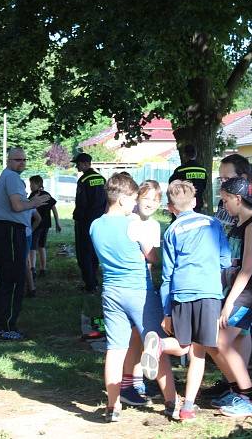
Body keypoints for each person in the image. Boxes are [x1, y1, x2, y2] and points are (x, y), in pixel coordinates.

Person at [89, 173, 180, 423]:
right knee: (155, 345)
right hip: (139, 291)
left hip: (111, 291)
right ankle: (173, 402)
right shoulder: (134, 224)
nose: (134, 205)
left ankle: (112, 406)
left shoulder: (95, 225)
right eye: (132, 199)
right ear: (122, 199)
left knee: (115, 350)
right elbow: (152, 258)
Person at [140, 180, 231, 421]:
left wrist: (167, 312)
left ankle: (159, 345)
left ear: (170, 208)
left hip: (181, 294)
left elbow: (167, 275)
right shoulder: (213, 223)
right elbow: (225, 260)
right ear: (195, 202)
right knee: (198, 351)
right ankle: (188, 406)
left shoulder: (171, 231)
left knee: (184, 343)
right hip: (209, 293)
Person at [209, 177, 252, 418]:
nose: (223, 205)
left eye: (225, 200)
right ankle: (237, 390)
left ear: (237, 198)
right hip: (234, 293)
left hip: (246, 296)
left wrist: (230, 303)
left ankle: (250, 398)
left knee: (217, 341)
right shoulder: (237, 224)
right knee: (218, 343)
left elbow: (247, 269)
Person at [0, 148, 50, 340]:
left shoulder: (7, 176)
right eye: (18, 159)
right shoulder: (12, 178)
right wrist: (34, 203)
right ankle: (7, 326)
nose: (22, 163)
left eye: (24, 159)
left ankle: (1, 324)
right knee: (14, 279)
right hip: (9, 231)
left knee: (7, 279)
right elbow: (17, 206)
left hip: (5, 231)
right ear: (8, 160)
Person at [120, 180, 163, 406]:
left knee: (139, 334)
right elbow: (152, 255)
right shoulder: (131, 221)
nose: (150, 204)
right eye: (146, 198)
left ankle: (135, 381)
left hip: (145, 281)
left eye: (155, 200)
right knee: (140, 334)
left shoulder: (154, 225)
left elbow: (151, 260)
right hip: (130, 284)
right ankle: (128, 383)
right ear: (137, 198)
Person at [72, 152, 107, 293]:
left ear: (86, 164)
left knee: (84, 253)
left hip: (85, 222)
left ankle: (89, 285)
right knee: (94, 252)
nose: (76, 166)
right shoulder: (102, 179)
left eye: (78, 163)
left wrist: (78, 218)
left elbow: (82, 203)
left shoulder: (84, 180)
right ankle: (95, 281)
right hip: (100, 221)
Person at [28, 175, 61, 278]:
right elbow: (54, 209)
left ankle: (32, 269)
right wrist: (57, 222)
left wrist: (57, 223)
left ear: (38, 184)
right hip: (46, 225)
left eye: (32, 184)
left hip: (36, 225)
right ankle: (43, 269)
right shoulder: (47, 195)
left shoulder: (34, 195)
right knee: (41, 246)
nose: (30, 186)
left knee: (32, 247)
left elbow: (30, 209)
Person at [215, 154, 252, 234]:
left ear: (243, 178)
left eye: (227, 179)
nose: (223, 183)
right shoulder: (222, 203)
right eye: (221, 179)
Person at [169, 144, 208, 210]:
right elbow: (204, 186)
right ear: (196, 154)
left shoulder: (180, 170)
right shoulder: (203, 170)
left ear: (184, 155)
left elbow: (171, 184)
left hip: (184, 204)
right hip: (198, 202)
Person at [24, 208, 42, 297]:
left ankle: (31, 289)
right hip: (27, 234)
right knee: (26, 261)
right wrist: (31, 229)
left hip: (23, 235)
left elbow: (38, 219)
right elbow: (38, 219)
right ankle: (31, 288)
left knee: (25, 262)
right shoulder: (29, 203)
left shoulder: (19, 204)